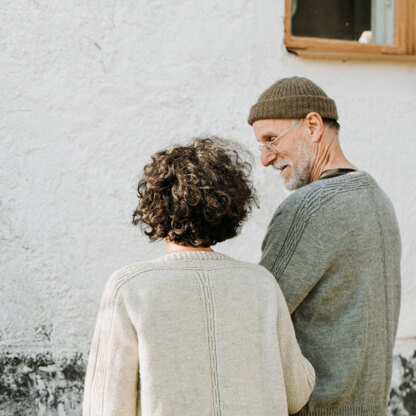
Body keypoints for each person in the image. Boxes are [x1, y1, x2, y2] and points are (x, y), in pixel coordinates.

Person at [82, 137, 315, 416]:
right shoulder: (261, 283)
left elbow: (106, 407)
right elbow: (297, 392)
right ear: (228, 205)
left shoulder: (130, 287)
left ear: (154, 204)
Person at [248, 76, 401, 416]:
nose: (265, 158)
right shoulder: (378, 199)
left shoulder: (308, 207)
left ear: (313, 126)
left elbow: (255, 317)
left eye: (271, 140)